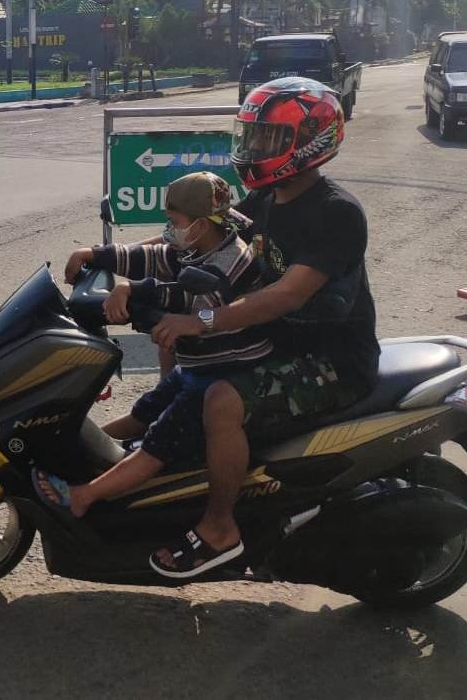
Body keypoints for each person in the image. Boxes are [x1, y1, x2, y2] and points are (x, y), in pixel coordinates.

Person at [145, 77, 377, 578]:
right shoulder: (266, 199)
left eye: (268, 139)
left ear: (311, 141)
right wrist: (114, 267)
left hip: (332, 359)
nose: (253, 149)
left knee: (221, 400)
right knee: (175, 373)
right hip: (278, 343)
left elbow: (284, 296)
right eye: (250, 136)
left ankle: (220, 528)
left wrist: (199, 320)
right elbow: (198, 237)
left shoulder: (336, 213)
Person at [34, 173, 273, 564]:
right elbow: (154, 256)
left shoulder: (231, 259)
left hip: (225, 372)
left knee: (156, 443)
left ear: (200, 224)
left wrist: (132, 290)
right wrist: (94, 255)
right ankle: (73, 453)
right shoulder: (198, 246)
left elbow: (185, 297)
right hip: (199, 364)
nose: (169, 231)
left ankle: (85, 497)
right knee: (143, 414)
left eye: (175, 222)